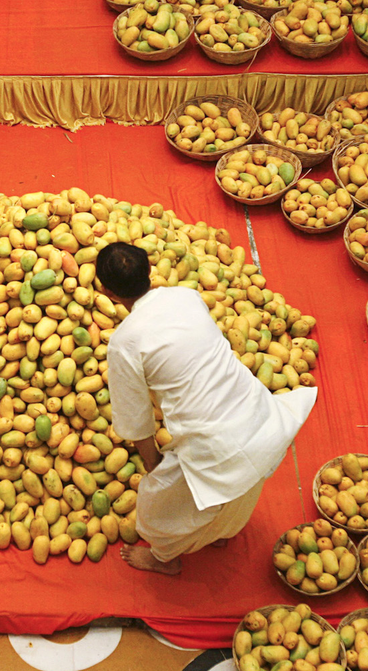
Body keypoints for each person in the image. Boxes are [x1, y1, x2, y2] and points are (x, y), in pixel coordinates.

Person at [95, 242, 317, 575]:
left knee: (158, 508)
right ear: (150, 270)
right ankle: (222, 532)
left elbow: (135, 419)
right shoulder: (184, 296)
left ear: (107, 292)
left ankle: (162, 558)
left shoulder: (124, 342)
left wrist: (154, 464)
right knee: (242, 484)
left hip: (216, 440)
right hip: (260, 415)